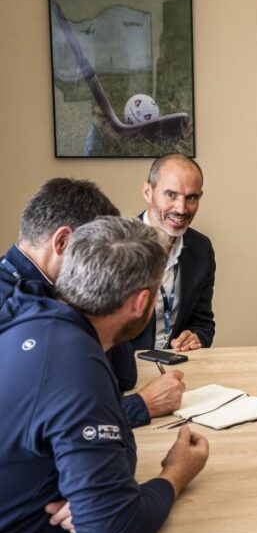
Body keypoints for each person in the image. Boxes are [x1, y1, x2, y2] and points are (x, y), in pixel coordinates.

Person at [0, 217, 209, 533]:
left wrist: (92, 499)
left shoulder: (27, 316)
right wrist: (177, 473)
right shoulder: (76, 367)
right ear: (142, 302)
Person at [0, 178, 185, 428]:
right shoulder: (20, 309)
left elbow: (123, 376)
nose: (101, 262)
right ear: (63, 242)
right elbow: (44, 420)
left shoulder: (51, 292)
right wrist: (142, 405)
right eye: (95, 249)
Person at [131, 154, 216, 352]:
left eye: (191, 197)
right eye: (171, 195)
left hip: (178, 363)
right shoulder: (116, 245)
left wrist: (196, 337)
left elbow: (203, 323)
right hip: (127, 367)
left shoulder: (201, 248)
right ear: (148, 192)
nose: (181, 208)